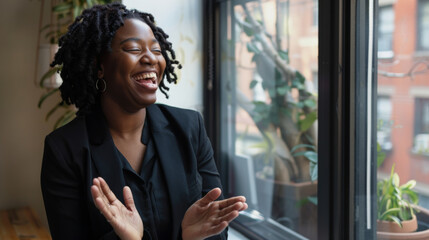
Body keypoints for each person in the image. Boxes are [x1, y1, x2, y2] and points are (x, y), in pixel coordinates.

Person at [40, 3, 247, 240]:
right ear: (100, 66)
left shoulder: (190, 127)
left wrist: (190, 237)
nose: (150, 58)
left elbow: (217, 229)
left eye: (157, 50)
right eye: (134, 49)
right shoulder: (65, 149)